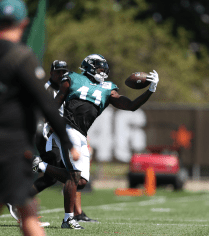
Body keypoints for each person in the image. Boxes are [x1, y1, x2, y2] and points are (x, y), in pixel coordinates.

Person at [0, 0, 79, 235]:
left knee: (14, 207)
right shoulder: (21, 56)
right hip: (12, 145)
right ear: (23, 23)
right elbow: (47, 105)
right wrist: (68, 142)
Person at [33, 54, 159, 229]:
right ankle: (68, 219)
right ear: (90, 66)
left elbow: (130, 106)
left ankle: (41, 166)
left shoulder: (108, 88)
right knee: (73, 175)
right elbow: (57, 102)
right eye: (100, 68)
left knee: (81, 181)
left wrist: (150, 89)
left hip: (82, 134)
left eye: (105, 68)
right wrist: (49, 121)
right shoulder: (72, 78)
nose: (104, 71)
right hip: (68, 128)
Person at [7, 60, 98, 226]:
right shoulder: (46, 89)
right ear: (51, 73)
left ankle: (21, 199)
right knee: (69, 174)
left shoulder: (67, 87)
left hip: (61, 133)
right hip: (47, 134)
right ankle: (22, 198)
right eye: (58, 72)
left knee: (58, 177)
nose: (61, 74)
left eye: (64, 71)